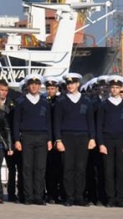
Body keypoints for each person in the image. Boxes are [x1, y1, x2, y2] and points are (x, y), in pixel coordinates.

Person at [53, 73, 96, 206]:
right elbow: (57, 122)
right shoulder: (61, 101)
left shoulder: (86, 101)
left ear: (78, 84)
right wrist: (58, 140)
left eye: (73, 83)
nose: (70, 85)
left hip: (83, 137)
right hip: (67, 137)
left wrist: (92, 138)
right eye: (68, 84)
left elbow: (90, 121)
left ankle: (79, 196)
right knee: (68, 168)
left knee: (81, 168)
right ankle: (69, 196)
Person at [13, 74, 52, 205]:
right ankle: (28, 196)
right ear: (28, 86)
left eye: (36, 84)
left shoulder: (45, 103)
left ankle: (38, 196)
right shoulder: (21, 102)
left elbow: (48, 123)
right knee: (27, 167)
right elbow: (16, 122)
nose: (34, 86)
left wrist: (49, 139)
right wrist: (17, 140)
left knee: (40, 168)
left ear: (40, 86)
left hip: (42, 137)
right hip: (27, 137)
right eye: (31, 84)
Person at [97, 75, 123, 207]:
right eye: (112, 87)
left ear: (121, 89)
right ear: (109, 89)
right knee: (108, 171)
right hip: (107, 140)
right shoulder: (104, 105)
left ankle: (120, 197)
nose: (114, 90)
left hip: (121, 141)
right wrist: (101, 143)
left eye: (117, 87)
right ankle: (110, 198)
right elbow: (99, 126)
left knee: (120, 170)